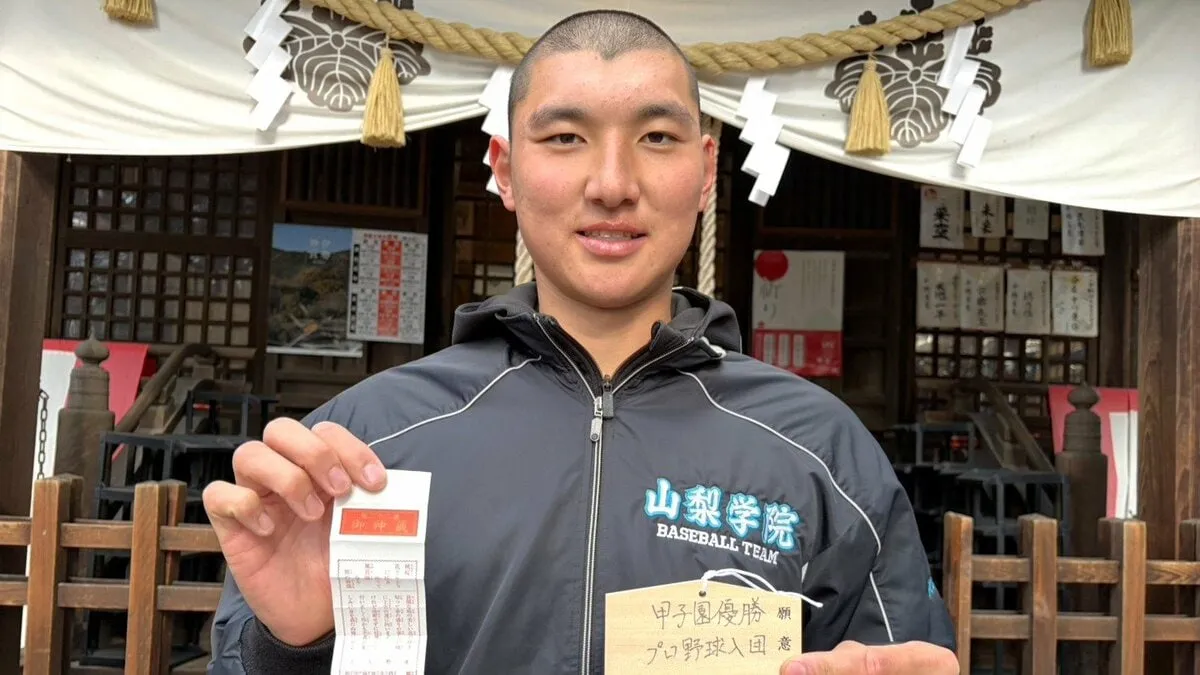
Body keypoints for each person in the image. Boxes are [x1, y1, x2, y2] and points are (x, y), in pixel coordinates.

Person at [204, 8, 959, 675]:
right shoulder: (360, 450)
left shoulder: (822, 452)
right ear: (506, 170)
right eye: (565, 137)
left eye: (656, 137)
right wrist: (292, 648)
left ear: (704, 172)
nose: (612, 183)